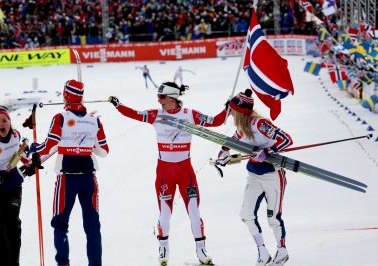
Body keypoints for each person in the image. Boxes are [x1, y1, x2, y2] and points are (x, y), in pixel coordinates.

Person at [108, 81, 228, 266]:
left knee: (194, 212)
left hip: (185, 171)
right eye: (158, 97)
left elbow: (216, 121)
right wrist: (118, 105)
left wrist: (228, 107)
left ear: (173, 98)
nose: (159, 100)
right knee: (164, 214)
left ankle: (202, 253)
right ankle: (163, 252)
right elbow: (134, 114)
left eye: (162, 97)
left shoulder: (189, 114)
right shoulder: (156, 115)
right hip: (164, 172)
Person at [26, 79, 109, 266]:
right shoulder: (94, 120)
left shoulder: (60, 117)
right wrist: (87, 139)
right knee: (92, 226)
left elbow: (48, 146)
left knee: (60, 223)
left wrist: (32, 148)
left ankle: (63, 263)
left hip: (67, 179)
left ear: (66, 95)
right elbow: (103, 151)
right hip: (89, 179)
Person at [216, 89, 293, 266]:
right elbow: (234, 139)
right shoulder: (241, 127)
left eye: (233, 110)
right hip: (254, 175)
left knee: (273, 217)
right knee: (246, 215)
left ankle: (282, 251)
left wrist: (267, 152)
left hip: (273, 174)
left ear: (241, 111)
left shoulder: (260, 124)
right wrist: (223, 152)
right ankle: (262, 252)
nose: (230, 114)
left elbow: (286, 140)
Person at [0, 105, 38, 266]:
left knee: (13, 224)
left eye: (4, 120)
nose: (1, 123)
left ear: (10, 122)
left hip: (13, 184)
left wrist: (30, 164)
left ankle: (14, 262)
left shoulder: (16, 136)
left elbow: (20, 155)